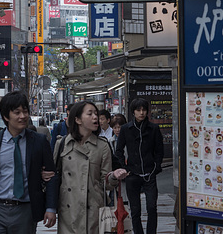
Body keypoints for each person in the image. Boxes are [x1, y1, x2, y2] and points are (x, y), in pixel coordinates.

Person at [0, 92, 59, 234]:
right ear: (6, 116)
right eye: (17, 112)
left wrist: (50, 208)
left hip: (25, 210)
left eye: (25, 112)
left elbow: (51, 176)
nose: (23, 116)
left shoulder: (39, 141)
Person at [53, 100, 128, 234]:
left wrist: (114, 176)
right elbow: (55, 176)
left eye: (96, 113)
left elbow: (106, 183)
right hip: (68, 211)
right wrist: (50, 208)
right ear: (77, 119)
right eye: (90, 114)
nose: (95, 117)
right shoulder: (63, 143)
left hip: (93, 210)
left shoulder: (102, 146)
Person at [115, 98, 164, 234]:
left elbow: (159, 150)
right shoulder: (126, 129)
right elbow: (118, 150)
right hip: (132, 174)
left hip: (150, 173)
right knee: (135, 209)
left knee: (152, 207)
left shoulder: (154, 128)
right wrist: (125, 168)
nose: (141, 113)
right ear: (133, 112)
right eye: (138, 110)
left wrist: (157, 166)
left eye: (144, 110)